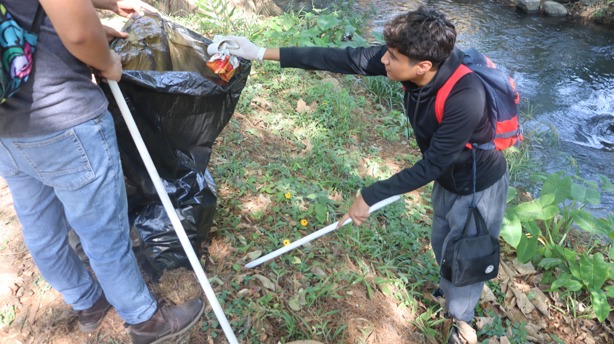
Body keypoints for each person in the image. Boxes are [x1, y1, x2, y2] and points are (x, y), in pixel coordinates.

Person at [215, 6, 510, 344]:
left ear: (423, 66)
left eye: (393, 57)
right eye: (387, 52)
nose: (384, 60)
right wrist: (258, 52)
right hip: (448, 178)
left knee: (466, 254)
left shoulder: (465, 96)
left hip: (478, 185)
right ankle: (448, 291)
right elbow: (338, 59)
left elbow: (432, 165)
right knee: (443, 239)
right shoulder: (406, 61)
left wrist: (370, 195)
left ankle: (462, 323)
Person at [0, 1, 204, 342]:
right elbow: (79, 34)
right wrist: (106, 60)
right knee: (103, 234)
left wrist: (104, 8)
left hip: (8, 129)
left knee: (42, 231)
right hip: (64, 120)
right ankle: (145, 320)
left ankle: (86, 302)